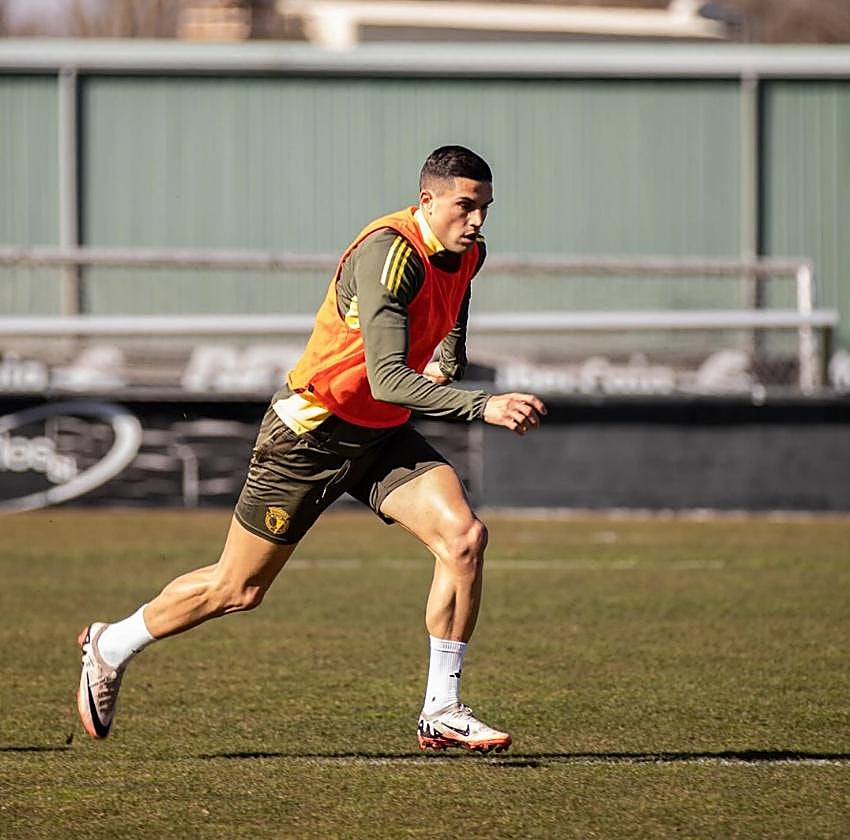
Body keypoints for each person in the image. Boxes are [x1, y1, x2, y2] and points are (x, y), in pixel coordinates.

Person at [76, 145, 546, 754]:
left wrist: (450, 360)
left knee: (464, 538)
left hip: (379, 435)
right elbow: (388, 380)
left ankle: (443, 708)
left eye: (484, 208)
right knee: (237, 589)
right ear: (427, 200)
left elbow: (455, 306)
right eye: (465, 206)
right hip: (309, 433)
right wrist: (482, 405)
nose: (478, 221)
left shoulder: (468, 251)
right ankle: (110, 645)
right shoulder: (390, 254)